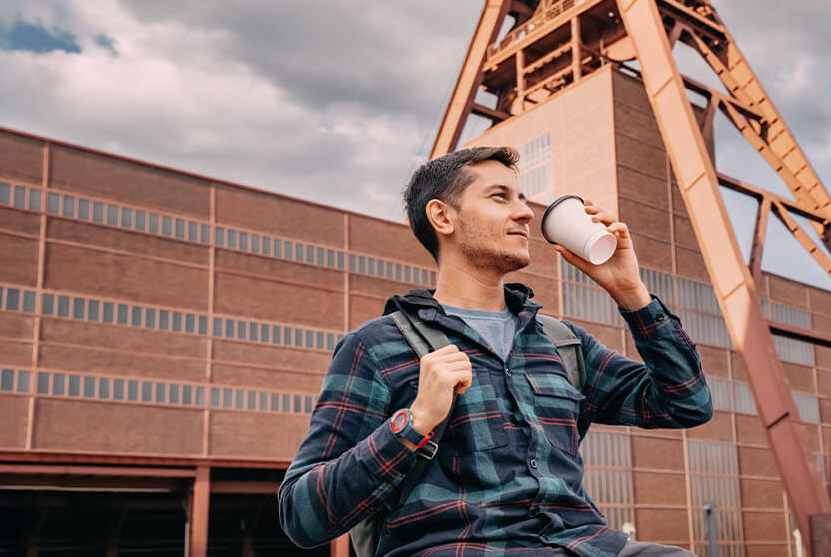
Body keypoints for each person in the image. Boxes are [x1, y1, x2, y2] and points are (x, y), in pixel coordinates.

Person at [278, 146, 713, 556]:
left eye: (522, 198)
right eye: (500, 197)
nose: (524, 212)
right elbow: (303, 516)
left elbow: (687, 404)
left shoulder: (560, 342)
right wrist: (414, 422)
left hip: (585, 544)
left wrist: (631, 292)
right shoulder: (377, 346)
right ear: (442, 217)